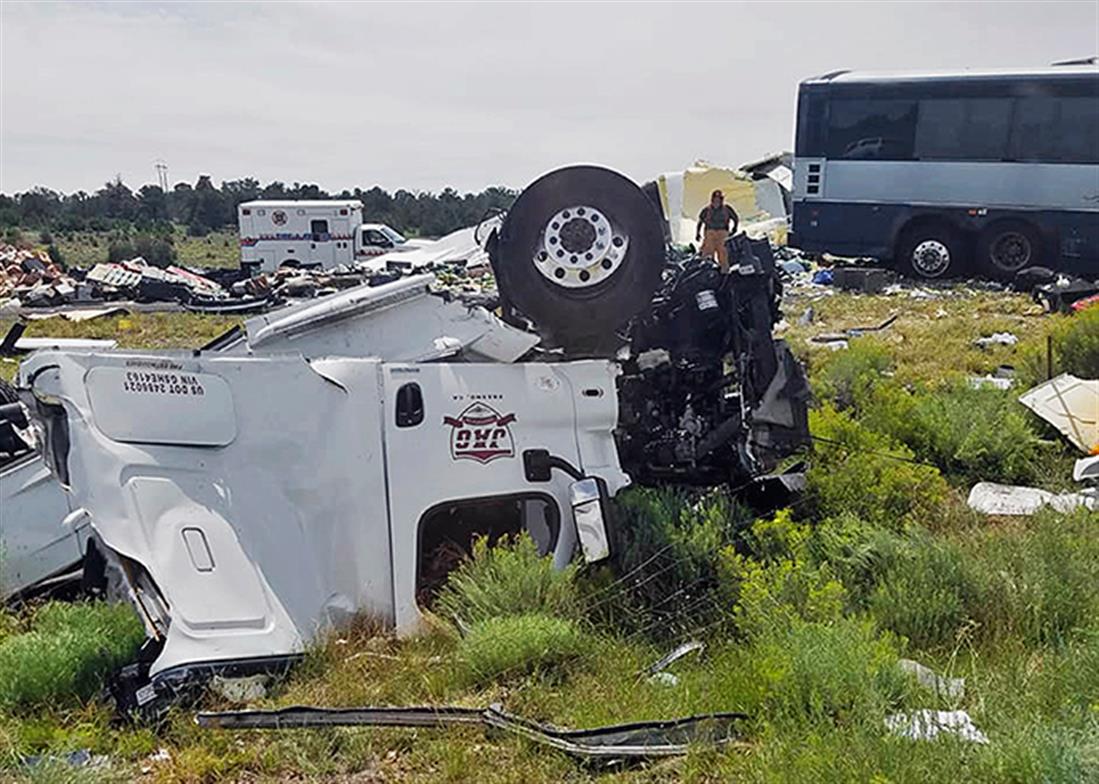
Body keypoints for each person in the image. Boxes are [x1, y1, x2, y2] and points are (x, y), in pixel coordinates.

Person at [695, 190, 740, 272]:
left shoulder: (727, 209)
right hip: (710, 234)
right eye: (715, 199)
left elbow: (735, 218)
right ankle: (706, 273)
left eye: (719, 200)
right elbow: (700, 222)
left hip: (723, 235)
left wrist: (734, 229)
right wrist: (697, 233)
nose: (717, 201)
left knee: (723, 255)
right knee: (707, 255)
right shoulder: (706, 210)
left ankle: (724, 273)